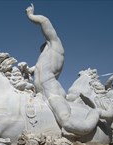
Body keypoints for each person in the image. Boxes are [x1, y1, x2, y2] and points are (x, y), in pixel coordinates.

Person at [26, 4, 104, 135]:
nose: (42, 49)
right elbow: (33, 70)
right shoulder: (42, 60)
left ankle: (96, 113)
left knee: (66, 122)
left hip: (52, 92)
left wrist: (31, 15)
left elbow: (45, 22)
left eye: (44, 45)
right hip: (39, 94)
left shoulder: (55, 46)